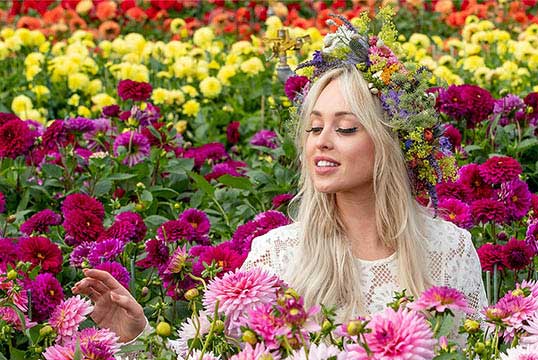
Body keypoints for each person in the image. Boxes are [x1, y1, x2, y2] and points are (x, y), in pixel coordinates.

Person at [72, 12, 487, 345]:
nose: (320, 142)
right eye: (313, 128)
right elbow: (203, 354)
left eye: (344, 129)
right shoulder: (276, 256)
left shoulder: (449, 251)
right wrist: (137, 337)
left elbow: (485, 351)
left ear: (390, 143)